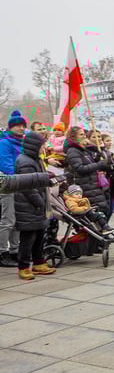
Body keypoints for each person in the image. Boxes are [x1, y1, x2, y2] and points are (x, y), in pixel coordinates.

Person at [13, 132, 56, 280]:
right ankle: (23, 266)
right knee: (28, 237)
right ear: (35, 146)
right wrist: (40, 203)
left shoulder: (36, 160)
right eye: (43, 144)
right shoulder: (25, 162)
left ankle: (38, 262)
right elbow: (28, 187)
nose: (45, 147)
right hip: (28, 205)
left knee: (39, 235)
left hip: (38, 204)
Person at [64, 126, 110, 217]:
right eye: (81, 134)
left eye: (84, 134)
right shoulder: (73, 151)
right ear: (74, 137)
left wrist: (97, 158)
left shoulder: (84, 150)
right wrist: (99, 164)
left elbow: (90, 163)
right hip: (86, 187)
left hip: (93, 186)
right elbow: (80, 168)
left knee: (102, 212)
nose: (84, 136)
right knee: (95, 215)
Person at [0, 110, 26, 262]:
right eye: (17, 126)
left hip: (22, 184)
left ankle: (15, 251)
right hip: (8, 185)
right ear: (10, 127)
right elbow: (5, 165)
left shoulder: (23, 143)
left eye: (23, 125)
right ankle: (2, 252)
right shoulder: (4, 143)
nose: (21, 128)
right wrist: (24, 175)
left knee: (17, 220)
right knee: (7, 220)